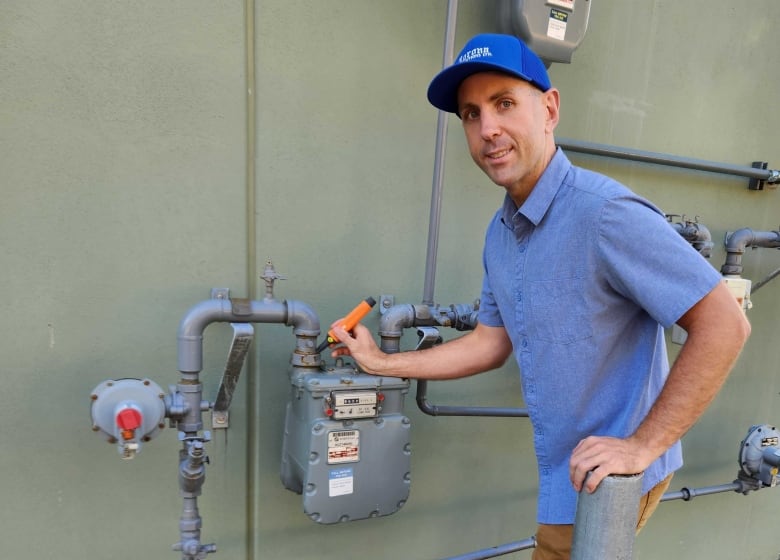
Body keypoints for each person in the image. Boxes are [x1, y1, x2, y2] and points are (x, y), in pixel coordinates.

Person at [331, 33, 751, 559]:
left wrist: (642, 446)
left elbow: (725, 324)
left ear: (549, 109)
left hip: (609, 480)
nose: (488, 129)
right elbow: (489, 344)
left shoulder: (605, 214)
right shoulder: (501, 234)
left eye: (505, 103)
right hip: (566, 478)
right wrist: (379, 364)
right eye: (470, 113)